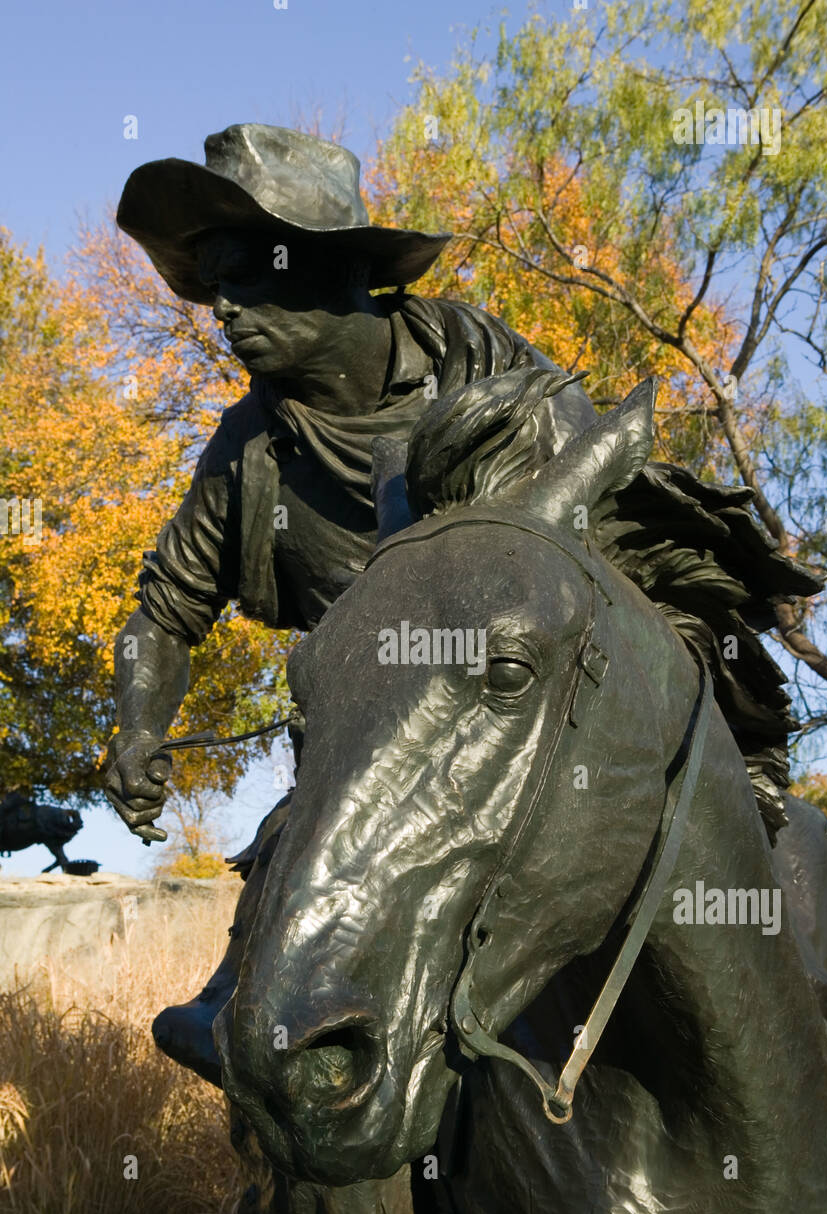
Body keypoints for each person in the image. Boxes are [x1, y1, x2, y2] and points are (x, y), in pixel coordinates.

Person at [104, 123, 597, 1083]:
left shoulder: (492, 379)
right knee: (276, 1024)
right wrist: (134, 727)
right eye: (213, 286)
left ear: (333, 270)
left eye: (245, 274)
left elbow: (601, 566)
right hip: (358, 778)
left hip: (538, 743)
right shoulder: (250, 451)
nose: (224, 310)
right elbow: (164, 612)